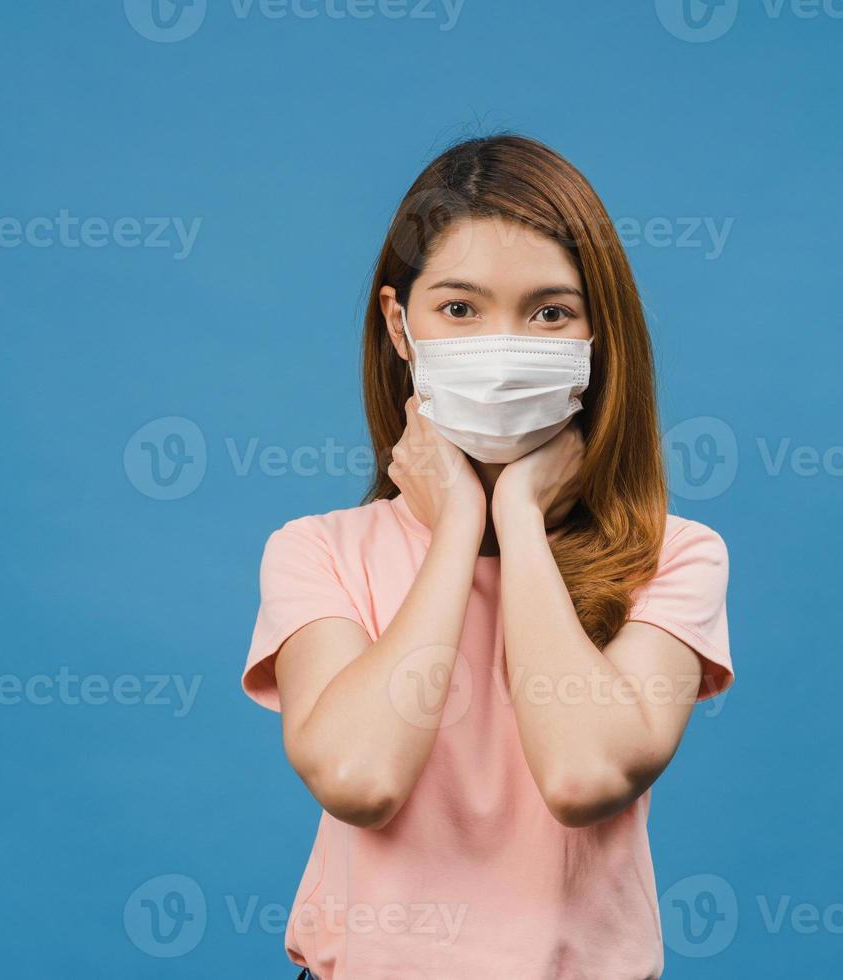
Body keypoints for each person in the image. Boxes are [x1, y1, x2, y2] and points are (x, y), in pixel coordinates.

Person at [242, 134, 733, 979]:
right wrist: (458, 526)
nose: (502, 344)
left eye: (550, 311)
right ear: (400, 324)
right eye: (460, 309)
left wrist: (519, 515)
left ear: (595, 332)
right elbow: (359, 777)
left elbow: (584, 774)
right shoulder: (316, 553)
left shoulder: (674, 558)